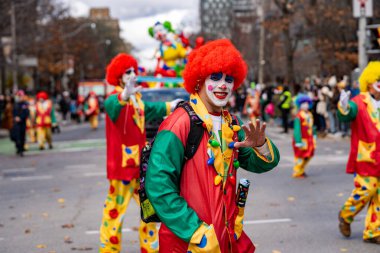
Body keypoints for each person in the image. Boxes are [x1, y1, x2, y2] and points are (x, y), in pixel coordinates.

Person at [145, 39, 280, 253]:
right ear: (199, 79)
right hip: (192, 242)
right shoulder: (179, 123)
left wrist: (261, 145)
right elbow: (159, 186)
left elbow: (261, 164)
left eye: (229, 79)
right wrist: (196, 232)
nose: (223, 85)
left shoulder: (231, 124)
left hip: (226, 236)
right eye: (215, 77)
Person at [99, 53, 181, 253]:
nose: (133, 74)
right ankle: (109, 249)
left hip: (139, 166)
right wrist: (124, 95)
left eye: (134, 70)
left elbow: (151, 109)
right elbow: (111, 106)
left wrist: (171, 105)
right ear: (119, 76)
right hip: (122, 168)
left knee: (149, 208)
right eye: (128, 72)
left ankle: (150, 248)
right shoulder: (116, 98)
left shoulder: (137, 99)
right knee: (114, 212)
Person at [337, 61, 380, 244]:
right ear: (369, 82)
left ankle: (373, 232)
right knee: (366, 189)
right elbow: (348, 114)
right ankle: (346, 214)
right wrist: (344, 106)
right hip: (366, 157)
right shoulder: (359, 101)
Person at [292, 95, 315, 178]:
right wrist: (298, 141)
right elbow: (297, 130)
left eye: (307, 103)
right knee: (300, 156)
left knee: (308, 155)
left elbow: (312, 127)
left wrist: (314, 136)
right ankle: (297, 171)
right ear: (300, 105)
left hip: (309, 140)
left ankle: (301, 169)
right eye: (303, 103)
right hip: (301, 140)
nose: (305, 105)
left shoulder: (310, 114)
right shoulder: (298, 116)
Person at [11, 90, 29, 156]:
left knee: (22, 136)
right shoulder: (15, 104)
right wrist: (15, 117)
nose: (20, 97)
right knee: (16, 136)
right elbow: (13, 113)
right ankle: (18, 148)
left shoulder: (25, 104)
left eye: (21, 96)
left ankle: (21, 149)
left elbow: (26, 113)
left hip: (22, 122)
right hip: (16, 123)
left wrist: (21, 118)